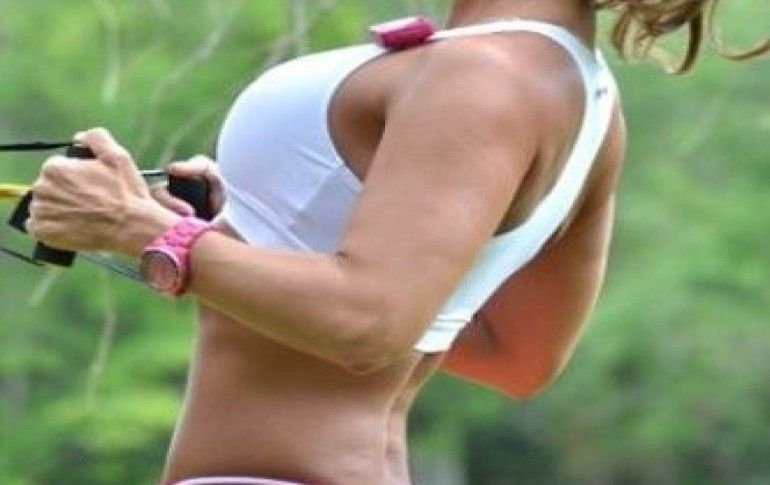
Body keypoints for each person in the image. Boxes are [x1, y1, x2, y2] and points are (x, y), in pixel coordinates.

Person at [23, 1, 767, 484]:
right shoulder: (579, 92)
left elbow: (369, 322)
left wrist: (143, 229)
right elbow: (514, 353)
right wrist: (231, 240)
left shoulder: (483, 75)